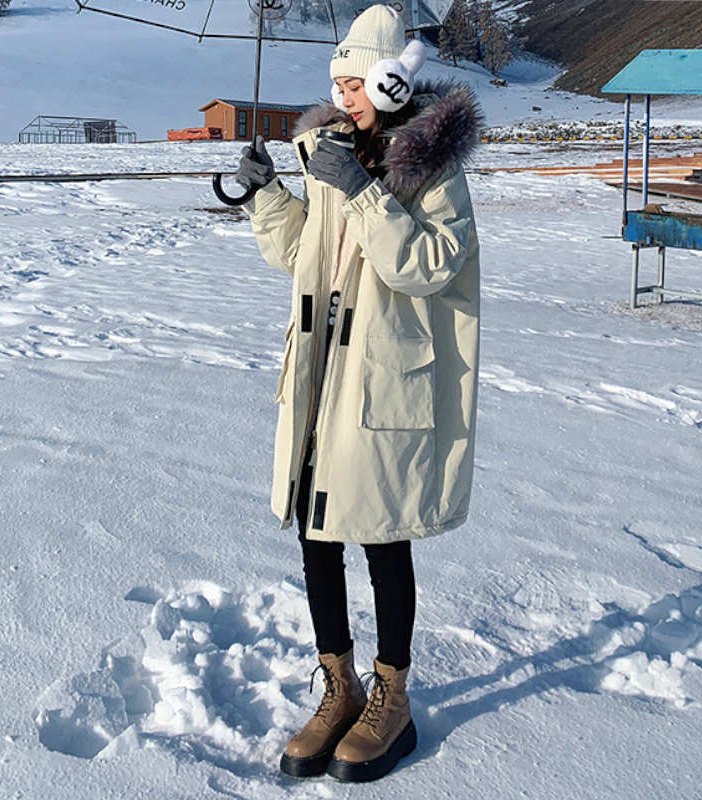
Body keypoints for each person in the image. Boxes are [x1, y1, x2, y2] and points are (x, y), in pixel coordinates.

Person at [236, 3, 483, 784]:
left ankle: (393, 699)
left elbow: (431, 266)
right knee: (317, 534)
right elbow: (303, 253)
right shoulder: (330, 151)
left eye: (356, 84)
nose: (343, 98)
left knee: (380, 535)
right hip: (320, 373)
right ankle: (338, 687)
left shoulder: (433, 167)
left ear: (393, 80)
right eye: (337, 83)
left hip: (382, 378)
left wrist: (367, 194)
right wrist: (265, 195)